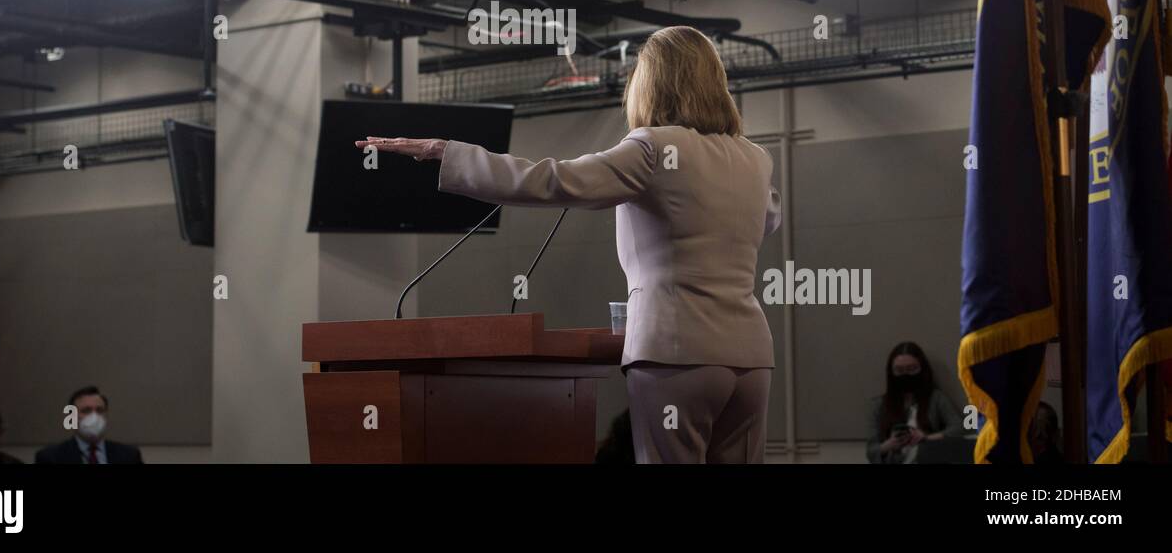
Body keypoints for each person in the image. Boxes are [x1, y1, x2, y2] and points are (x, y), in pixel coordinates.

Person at [358, 25, 782, 464]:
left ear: (652, 83)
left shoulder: (653, 149)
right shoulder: (756, 158)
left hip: (677, 352)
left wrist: (445, 152)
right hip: (751, 360)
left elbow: (551, 180)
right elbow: (766, 221)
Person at [866, 341, 962, 463]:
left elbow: (960, 427)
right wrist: (890, 444)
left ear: (922, 369)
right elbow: (871, 451)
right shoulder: (878, 405)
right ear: (891, 372)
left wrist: (926, 438)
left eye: (911, 369)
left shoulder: (936, 398)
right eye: (899, 370)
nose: (905, 374)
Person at [35, 386, 143, 464]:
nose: (94, 417)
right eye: (86, 410)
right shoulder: (50, 458)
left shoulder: (129, 456)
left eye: (100, 410)